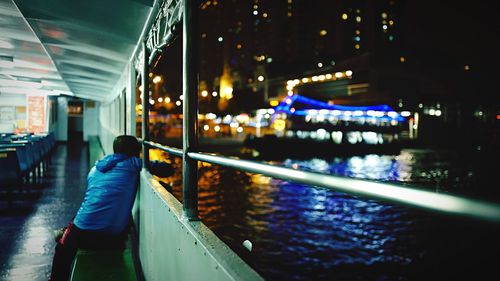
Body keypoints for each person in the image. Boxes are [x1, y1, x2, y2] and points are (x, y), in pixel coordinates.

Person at [49, 135, 174, 281]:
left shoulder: (96, 168)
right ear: (134, 152)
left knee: (62, 248)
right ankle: (66, 231)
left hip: (82, 232)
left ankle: (64, 239)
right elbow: (167, 170)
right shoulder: (133, 164)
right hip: (112, 238)